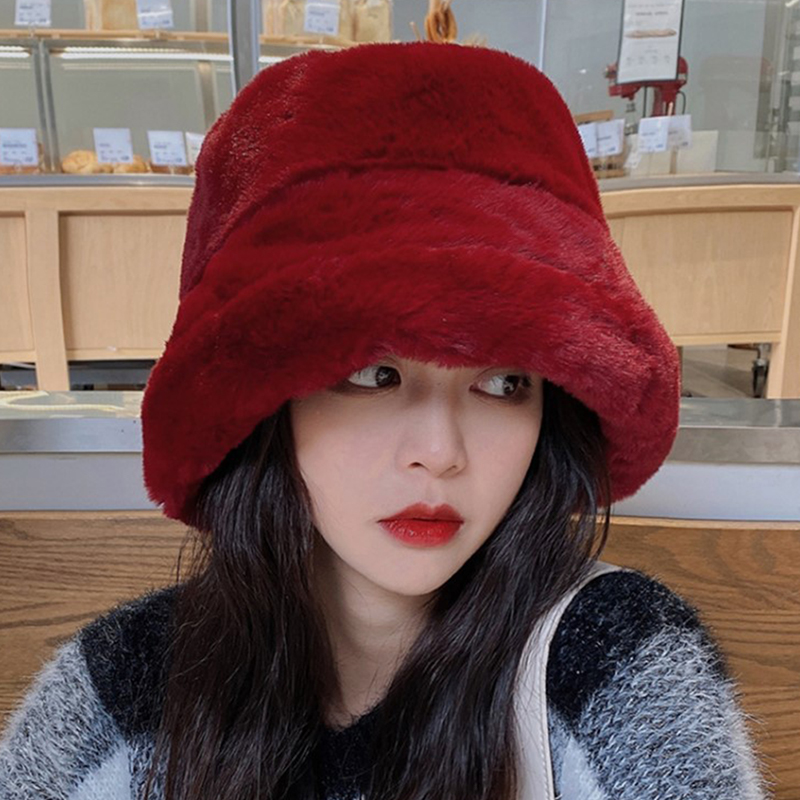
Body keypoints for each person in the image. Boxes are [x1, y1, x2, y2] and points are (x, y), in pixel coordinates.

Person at [0, 41, 770, 800]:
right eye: (375, 374)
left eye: (504, 382)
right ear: (269, 399)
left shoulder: (615, 663)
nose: (440, 452)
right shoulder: (124, 687)